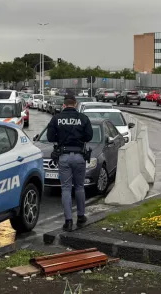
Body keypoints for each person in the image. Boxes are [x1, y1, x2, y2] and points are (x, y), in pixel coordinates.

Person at [46, 94, 93, 232]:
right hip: (79, 156)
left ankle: (68, 221)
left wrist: (60, 138)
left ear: (64, 105)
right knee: (79, 187)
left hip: (63, 157)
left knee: (65, 188)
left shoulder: (56, 118)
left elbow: (49, 137)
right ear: (76, 104)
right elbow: (89, 136)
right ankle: (81, 216)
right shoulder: (83, 118)